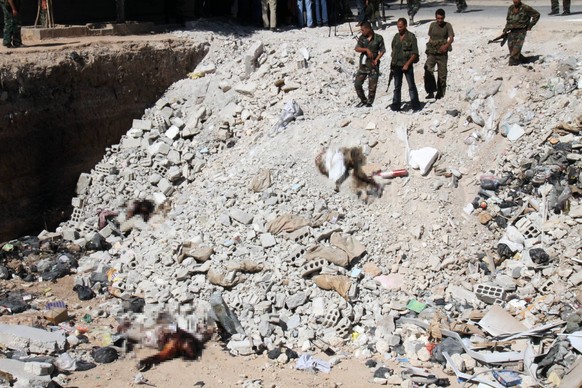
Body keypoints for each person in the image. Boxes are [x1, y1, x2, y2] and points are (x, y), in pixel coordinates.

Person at [389, 18, 421, 112]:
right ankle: (396, 106)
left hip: (407, 65)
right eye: (398, 27)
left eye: (401, 27)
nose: (399, 29)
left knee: (411, 86)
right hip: (397, 65)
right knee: (397, 86)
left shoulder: (411, 37)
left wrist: (407, 64)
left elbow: (415, 54)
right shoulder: (396, 37)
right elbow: (393, 50)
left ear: (405, 25)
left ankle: (416, 106)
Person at [424, 8, 454, 99]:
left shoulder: (448, 25)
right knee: (428, 70)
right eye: (438, 18)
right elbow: (430, 38)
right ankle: (430, 91)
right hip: (432, 53)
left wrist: (446, 45)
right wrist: (428, 50)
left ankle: (440, 93)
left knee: (442, 75)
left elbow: (451, 37)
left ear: (444, 17)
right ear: (435, 18)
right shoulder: (432, 25)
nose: (440, 20)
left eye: (441, 18)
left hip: (442, 54)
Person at [354, 21, 385, 107]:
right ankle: (363, 100)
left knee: (372, 87)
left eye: (363, 30)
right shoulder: (362, 38)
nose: (361, 31)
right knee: (357, 84)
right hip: (363, 65)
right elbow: (356, 48)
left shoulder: (378, 38)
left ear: (369, 29)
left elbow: (382, 50)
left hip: (373, 65)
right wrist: (366, 50)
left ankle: (369, 102)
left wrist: (377, 59)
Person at [503, 0, 540, 66]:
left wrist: (530, 25)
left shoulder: (526, 8)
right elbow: (508, 20)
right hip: (512, 31)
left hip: (521, 31)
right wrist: (505, 29)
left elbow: (536, 15)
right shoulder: (511, 8)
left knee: (516, 50)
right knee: (511, 49)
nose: (515, 1)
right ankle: (523, 59)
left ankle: (513, 64)